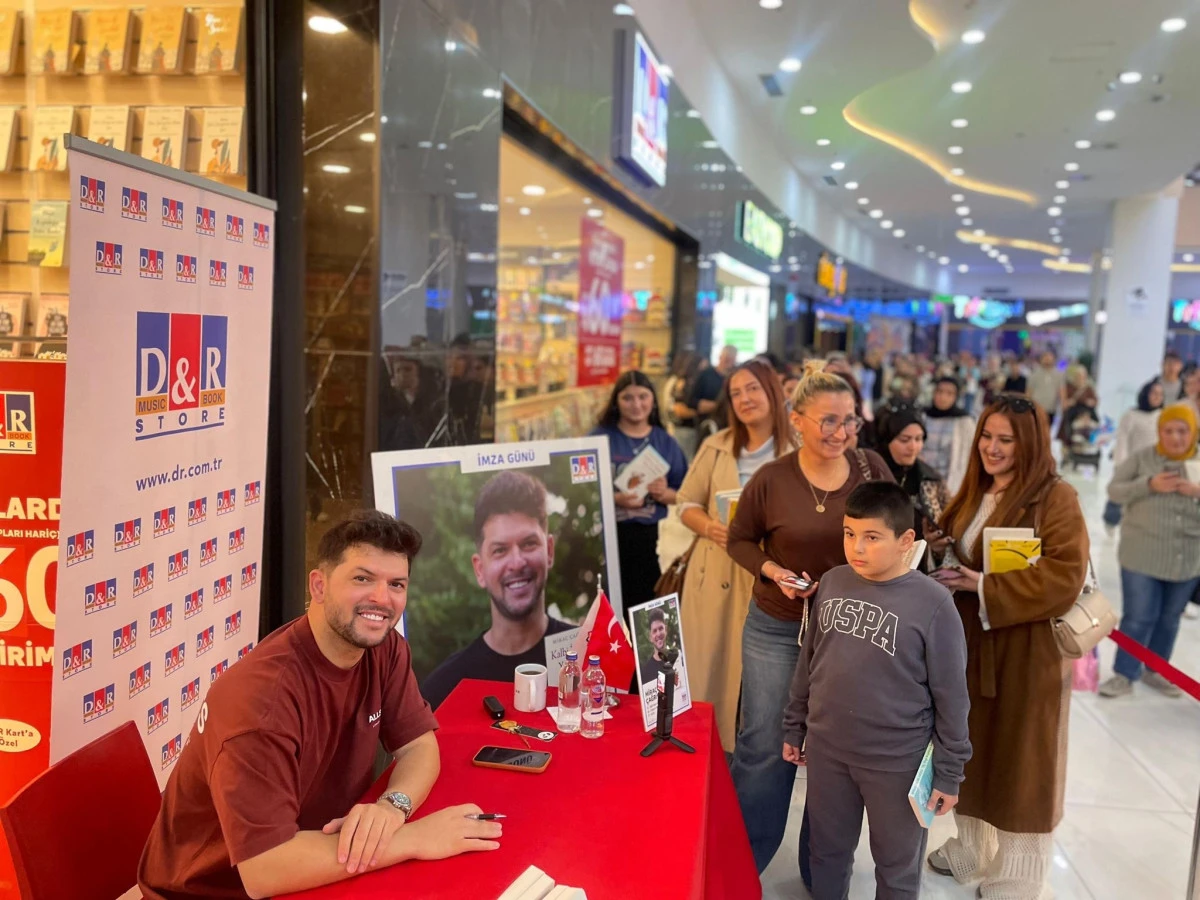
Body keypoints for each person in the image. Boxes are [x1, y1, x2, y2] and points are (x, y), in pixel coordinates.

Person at [138, 511, 502, 900]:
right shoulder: (260, 704)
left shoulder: (383, 648)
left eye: (396, 583)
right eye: (362, 579)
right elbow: (265, 869)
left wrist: (392, 809)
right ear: (319, 585)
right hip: (215, 891)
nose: (382, 598)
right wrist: (411, 838)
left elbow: (418, 745)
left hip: (320, 859)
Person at [726, 361, 893, 875]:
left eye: (850, 421)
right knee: (764, 745)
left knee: (831, 750)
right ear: (796, 418)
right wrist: (772, 570)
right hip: (776, 627)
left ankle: (822, 870)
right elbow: (739, 540)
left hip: (849, 635)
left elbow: (900, 537)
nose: (841, 433)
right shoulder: (772, 479)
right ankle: (742, 864)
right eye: (828, 421)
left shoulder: (871, 471)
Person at [926, 394, 1089, 900]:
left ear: (1030, 443)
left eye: (1005, 440)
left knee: (1022, 756)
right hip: (970, 644)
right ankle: (970, 849)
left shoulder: (1054, 497)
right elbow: (961, 545)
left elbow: (1064, 575)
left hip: (1027, 651)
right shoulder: (976, 489)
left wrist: (984, 585)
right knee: (969, 747)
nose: (991, 449)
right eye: (987, 436)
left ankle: (1020, 870)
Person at [782, 482, 971, 900]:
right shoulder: (832, 583)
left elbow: (953, 699)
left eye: (871, 537)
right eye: (849, 534)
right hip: (829, 752)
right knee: (826, 853)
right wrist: (795, 726)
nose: (857, 548)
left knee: (896, 868)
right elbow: (809, 662)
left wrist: (949, 772)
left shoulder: (935, 604)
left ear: (906, 541)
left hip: (896, 764)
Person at [676, 359, 797, 751]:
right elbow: (685, 502)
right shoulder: (716, 445)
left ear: (772, 391)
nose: (745, 399)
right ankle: (706, 760)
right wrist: (709, 526)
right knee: (708, 675)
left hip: (768, 579)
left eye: (753, 389)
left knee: (758, 687)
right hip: (712, 577)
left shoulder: (797, 449)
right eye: (736, 392)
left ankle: (751, 766)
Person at [420, 471, 574, 709]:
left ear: (550, 551)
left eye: (529, 544)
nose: (517, 562)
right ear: (479, 569)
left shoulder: (590, 660)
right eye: (500, 550)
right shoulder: (442, 690)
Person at [1100, 404, 1200, 698]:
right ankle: (1124, 674)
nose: (1175, 437)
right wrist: (1148, 484)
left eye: (1182, 431)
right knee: (1139, 616)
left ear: (1192, 432)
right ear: (1159, 433)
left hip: (1187, 559)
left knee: (1169, 618)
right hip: (1142, 554)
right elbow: (1114, 491)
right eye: (1168, 431)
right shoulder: (1143, 459)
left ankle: (1155, 670)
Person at [591, 370, 688, 610]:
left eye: (643, 396)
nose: (636, 404)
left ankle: (647, 650)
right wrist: (614, 499)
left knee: (649, 614)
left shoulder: (665, 441)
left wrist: (664, 494)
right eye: (628, 398)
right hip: (606, 539)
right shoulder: (598, 438)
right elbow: (581, 489)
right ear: (616, 401)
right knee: (608, 613)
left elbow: (685, 494)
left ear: (653, 400)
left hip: (650, 541)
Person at [874, 403, 951, 571]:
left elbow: (947, 529)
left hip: (918, 571)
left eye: (918, 439)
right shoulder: (869, 473)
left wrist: (937, 546)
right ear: (888, 439)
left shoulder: (931, 479)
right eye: (904, 439)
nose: (913, 447)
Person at [1103, 380, 1164, 530]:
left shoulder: (1162, 416)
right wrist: (1120, 465)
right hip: (1130, 463)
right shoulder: (1131, 415)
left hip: (1152, 466)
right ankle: (1110, 522)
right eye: (1154, 393)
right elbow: (1122, 441)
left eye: (1160, 394)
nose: (1157, 397)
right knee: (1119, 495)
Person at [922, 376, 976, 495]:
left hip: (951, 483)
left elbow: (969, 455)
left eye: (949, 393)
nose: (943, 397)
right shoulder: (923, 417)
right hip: (923, 480)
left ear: (956, 397)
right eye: (939, 391)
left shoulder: (964, 421)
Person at [689, 344, 737, 435]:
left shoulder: (736, 377)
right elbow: (691, 401)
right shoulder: (706, 375)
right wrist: (715, 406)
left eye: (732, 359)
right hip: (708, 425)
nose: (729, 362)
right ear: (720, 357)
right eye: (727, 358)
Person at [1028, 350, 1064, 420]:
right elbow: (1029, 391)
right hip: (1036, 408)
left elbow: (1061, 391)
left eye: (1049, 358)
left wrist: (1063, 405)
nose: (1047, 360)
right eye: (1045, 358)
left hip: (1051, 408)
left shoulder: (1058, 375)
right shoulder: (1034, 374)